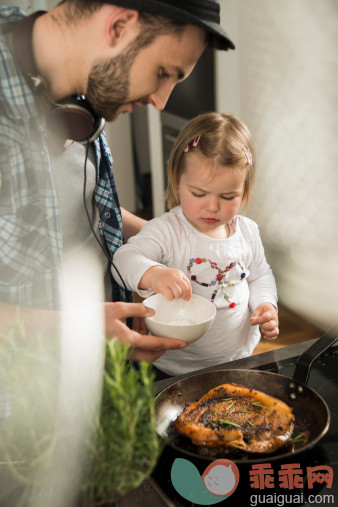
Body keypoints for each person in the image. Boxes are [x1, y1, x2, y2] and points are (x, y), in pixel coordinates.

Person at [0, 1, 235, 361]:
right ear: (119, 27)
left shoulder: (84, 94)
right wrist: (78, 328)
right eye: (163, 72)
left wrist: (183, 242)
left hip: (103, 378)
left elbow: (80, 210)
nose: (160, 100)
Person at [113, 112, 279, 376]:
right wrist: (153, 274)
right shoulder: (167, 230)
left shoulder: (247, 233)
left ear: (244, 191)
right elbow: (123, 259)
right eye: (199, 194)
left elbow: (260, 276)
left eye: (228, 196)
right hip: (174, 367)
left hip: (238, 359)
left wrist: (266, 305)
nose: (212, 206)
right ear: (177, 181)